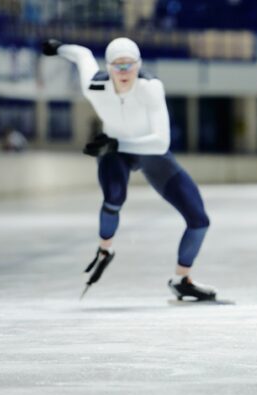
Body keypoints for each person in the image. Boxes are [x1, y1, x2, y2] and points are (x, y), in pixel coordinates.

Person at [41, 37, 217, 301]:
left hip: (147, 151)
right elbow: (83, 53)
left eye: (129, 66)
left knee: (199, 220)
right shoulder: (95, 86)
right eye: (118, 66)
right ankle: (105, 250)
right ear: (109, 67)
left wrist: (116, 143)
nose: (124, 73)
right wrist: (58, 48)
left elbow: (161, 142)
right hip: (115, 153)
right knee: (113, 199)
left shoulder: (150, 88)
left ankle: (182, 279)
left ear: (139, 65)